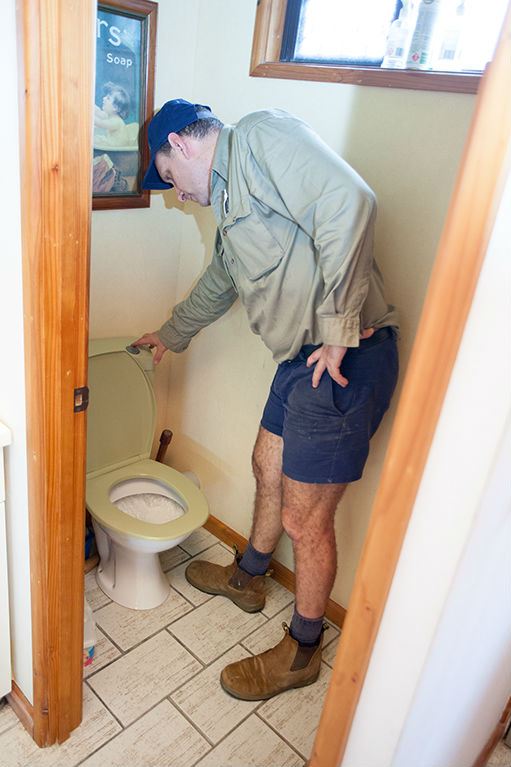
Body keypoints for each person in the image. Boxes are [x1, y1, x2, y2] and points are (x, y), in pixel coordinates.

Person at [133, 98, 399, 701]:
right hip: (301, 360)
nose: (179, 196)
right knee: (266, 464)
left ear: (182, 144)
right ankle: (250, 577)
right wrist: (169, 335)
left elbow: (349, 200)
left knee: (307, 520)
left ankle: (302, 649)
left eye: (171, 178)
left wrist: (337, 329)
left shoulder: (258, 139)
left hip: (344, 358)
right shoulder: (230, 205)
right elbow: (218, 284)